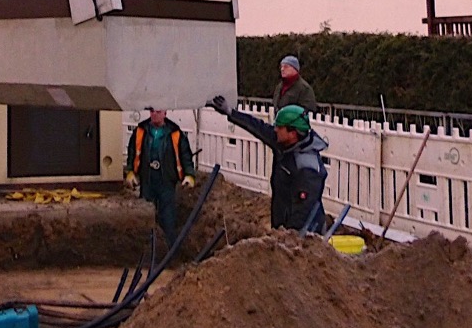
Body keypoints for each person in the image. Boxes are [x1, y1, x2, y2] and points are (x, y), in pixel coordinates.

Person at [209, 95, 328, 233]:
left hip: (306, 235)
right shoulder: (284, 143)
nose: (275, 130)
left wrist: (285, 238)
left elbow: (303, 211)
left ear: (292, 132)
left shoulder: (307, 167)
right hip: (282, 222)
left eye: (279, 127)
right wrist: (230, 112)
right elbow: (258, 127)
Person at [124, 107, 196, 248]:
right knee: (146, 217)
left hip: (166, 182)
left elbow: (185, 155)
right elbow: (132, 152)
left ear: (165, 113)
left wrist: (189, 175)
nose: (154, 114)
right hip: (147, 181)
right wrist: (130, 172)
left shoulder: (175, 133)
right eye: (152, 111)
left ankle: (169, 251)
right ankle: (146, 250)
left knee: (167, 217)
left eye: (158, 111)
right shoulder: (141, 131)